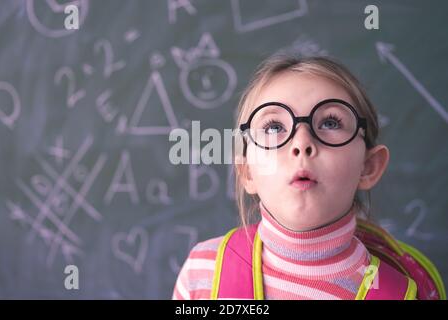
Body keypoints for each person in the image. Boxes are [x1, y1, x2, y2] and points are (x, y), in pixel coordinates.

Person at [172, 53, 445, 300]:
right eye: (274, 126)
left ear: (368, 167)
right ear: (247, 173)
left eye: (330, 122)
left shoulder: (410, 292)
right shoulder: (203, 274)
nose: (301, 143)